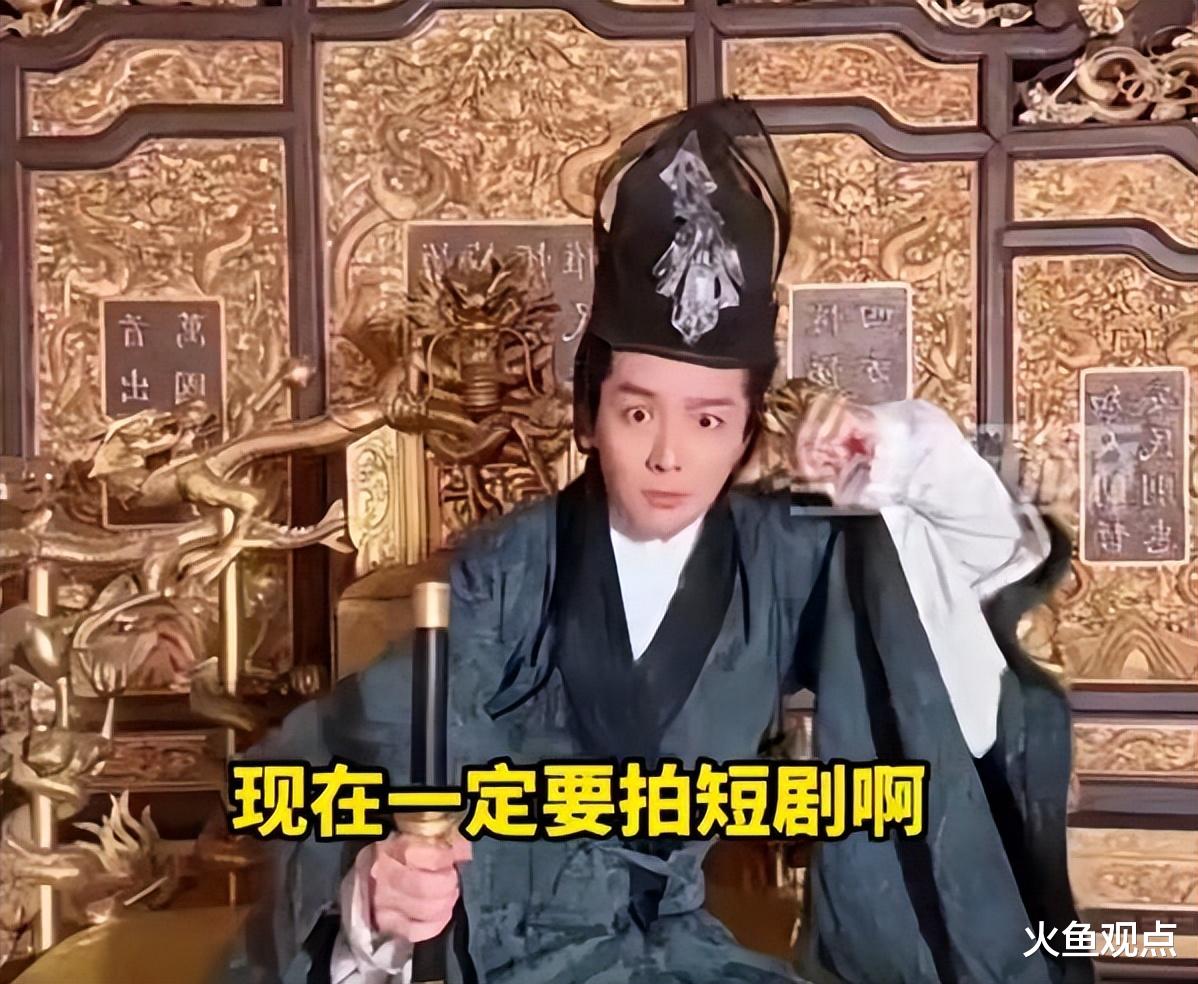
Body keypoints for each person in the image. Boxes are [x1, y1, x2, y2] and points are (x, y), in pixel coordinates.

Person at [219, 99, 1090, 984]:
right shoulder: (509, 572)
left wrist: (895, 453)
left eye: (709, 420)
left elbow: (974, 567)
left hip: (675, 952)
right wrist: (379, 897)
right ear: (589, 415)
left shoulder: (781, 560)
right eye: (637, 413)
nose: (670, 455)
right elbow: (363, 747)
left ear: (748, 432)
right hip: (507, 952)